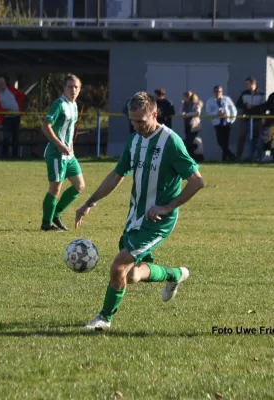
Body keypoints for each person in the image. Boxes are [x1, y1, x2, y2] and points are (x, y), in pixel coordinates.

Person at [75, 91, 204, 331]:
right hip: (136, 217)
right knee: (132, 276)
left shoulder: (171, 142)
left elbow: (197, 181)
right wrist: (89, 203)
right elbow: (116, 175)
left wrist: (167, 207)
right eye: (132, 121)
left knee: (117, 267)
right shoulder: (134, 140)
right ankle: (174, 274)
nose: (136, 127)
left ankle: (104, 319)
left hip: (158, 220)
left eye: (141, 122)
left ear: (155, 114)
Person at [41, 75, 85, 232]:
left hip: (69, 154)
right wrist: (59, 145)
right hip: (56, 153)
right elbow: (46, 126)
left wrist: (70, 145)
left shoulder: (74, 105)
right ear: (64, 88)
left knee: (79, 185)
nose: (73, 90)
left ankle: (56, 213)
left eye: (76, 87)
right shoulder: (59, 104)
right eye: (70, 87)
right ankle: (46, 224)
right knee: (55, 188)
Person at [0, 77, 26, 158]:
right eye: (0, 83)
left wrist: (19, 106)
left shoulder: (12, 90)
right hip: (6, 118)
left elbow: (22, 96)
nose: (2, 85)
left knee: (16, 136)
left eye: (3, 83)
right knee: (6, 137)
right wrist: (5, 111)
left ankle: (15, 155)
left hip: (16, 117)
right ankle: (4, 154)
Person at [236, 76, 265, 161]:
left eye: (248, 84)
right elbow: (238, 104)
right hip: (246, 118)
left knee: (256, 137)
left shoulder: (261, 93)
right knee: (242, 136)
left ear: (253, 84)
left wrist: (253, 108)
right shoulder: (244, 93)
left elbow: (263, 106)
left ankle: (256, 157)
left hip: (257, 119)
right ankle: (238, 157)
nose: (247, 86)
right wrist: (246, 105)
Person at [205, 85, 237, 161]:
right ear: (213, 92)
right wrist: (217, 113)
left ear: (222, 92)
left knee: (226, 142)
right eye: (216, 91)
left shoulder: (227, 99)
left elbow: (234, 110)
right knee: (220, 142)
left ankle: (225, 159)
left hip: (227, 123)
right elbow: (208, 113)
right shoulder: (210, 101)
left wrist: (232, 119)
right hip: (217, 124)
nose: (218, 93)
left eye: (219, 91)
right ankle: (232, 157)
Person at [181, 91, 203, 158]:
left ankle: (193, 153)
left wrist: (187, 114)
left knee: (188, 141)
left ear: (188, 97)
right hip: (187, 125)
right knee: (189, 141)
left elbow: (197, 113)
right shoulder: (184, 103)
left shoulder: (196, 103)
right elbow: (181, 111)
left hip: (194, 125)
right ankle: (192, 155)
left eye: (184, 96)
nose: (183, 98)